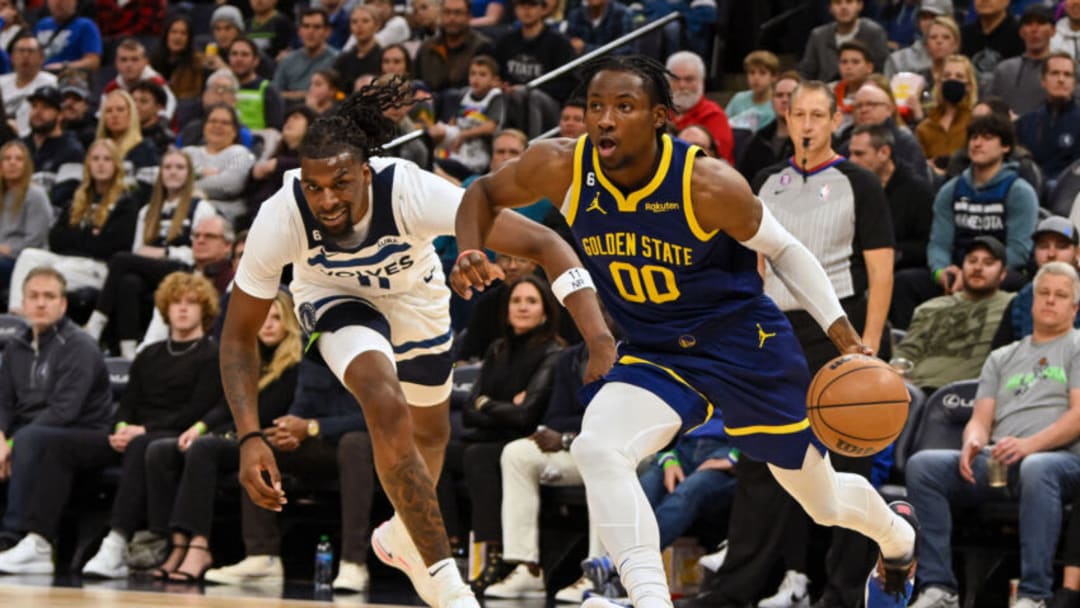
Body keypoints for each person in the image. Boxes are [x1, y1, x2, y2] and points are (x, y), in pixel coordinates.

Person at [451, 55, 919, 608]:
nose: (605, 120)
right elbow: (480, 193)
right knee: (600, 445)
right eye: (597, 106)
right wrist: (468, 250)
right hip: (657, 348)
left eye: (624, 107)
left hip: (744, 346)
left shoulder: (706, 182)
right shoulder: (559, 165)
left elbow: (786, 250)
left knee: (821, 502)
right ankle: (650, 598)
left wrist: (843, 335)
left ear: (657, 118)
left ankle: (898, 539)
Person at [219, 78, 558, 608]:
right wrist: (248, 436)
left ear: (366, 174)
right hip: (333, 298)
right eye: (314, 187)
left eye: (341, 184)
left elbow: (538, 240)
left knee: (431, 434)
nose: (326, 199)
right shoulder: (281, 215)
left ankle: (402, 535)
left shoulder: (412, 190)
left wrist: (588, 301)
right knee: (383, 399)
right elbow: (238, 334)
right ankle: (449, 583)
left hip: (416, 301)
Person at [0, 271, 221, 575]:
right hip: (128, 433)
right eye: (176, 302)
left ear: (204, 309)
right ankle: (38, 542)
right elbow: (128, 403)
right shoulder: (149, 354)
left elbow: (196, 409)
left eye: (191, 303)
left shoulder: (213, 354)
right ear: (165, 308)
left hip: (171, 435)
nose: (182, 308)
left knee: (142, 445)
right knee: (58, 446)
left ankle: (115, 543)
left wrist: (142, 430)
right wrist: (120, 428)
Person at [905, 261, 1080, 608]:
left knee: (1037, 468)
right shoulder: (1002, 357)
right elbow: (981, 418)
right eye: (1043, 293)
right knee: (923, 466)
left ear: (1074, 308)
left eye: (1061, 296)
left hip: (1062, 462)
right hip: (1000, 459)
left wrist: (1029, 446)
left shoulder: (1077, 346)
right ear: (1031, 302)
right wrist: (973, 439)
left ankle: (1034, 594)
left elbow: (1078, 416)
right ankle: (939, 588)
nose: (1049, 301)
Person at [143, 290, 300, 583]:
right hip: (234, 438)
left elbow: (264, 413)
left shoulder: (294, 365)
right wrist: (199, 428)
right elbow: (223, 406)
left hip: (269, 443)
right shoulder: (247, 358)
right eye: (263, 318)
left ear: (289, 322)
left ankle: (199, 545)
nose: (268, 324)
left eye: (276, 318)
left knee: (204, 449)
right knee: (161, 450)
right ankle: (175, 542)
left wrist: (210, 435)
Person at [459, 274, 563, 594]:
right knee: (440, 454)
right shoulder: (497, 349)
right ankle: (448, 549)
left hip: (530, 441)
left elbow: (526, 415)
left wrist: (486, 403)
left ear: (545, 311)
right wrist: (496, 406)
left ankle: (496, 558)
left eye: (531, 301)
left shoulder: (553, 353)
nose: (522, 307)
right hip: (493, 435)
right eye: (516, 301)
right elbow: (467, 409)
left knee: (479, 456)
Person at [0, 267, 113, 532]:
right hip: (32, 431)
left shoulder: (79, 345)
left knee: (29, 439)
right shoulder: (16, 346)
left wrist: (13, 442)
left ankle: (12, 534)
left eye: (49, 296)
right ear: (23, 303)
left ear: (62, 304)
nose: (41, 303)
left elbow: (65, 411)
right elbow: (3, 401)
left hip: (84, 433)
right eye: (34, 296)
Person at [6, 139, 140, 313]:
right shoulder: (78, 197)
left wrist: (77, 235)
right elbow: (55, 238)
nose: (101, 164)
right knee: (29, 256)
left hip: (97, 267)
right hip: (67, 259)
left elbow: (114, 246)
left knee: (52, 273)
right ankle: (16, 316)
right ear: (88, 164)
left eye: (107, 159)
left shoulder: (126, 202)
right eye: (96, 159)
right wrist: (92, 235)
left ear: (116, 165)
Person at [893, 236, 1015, 392]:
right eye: (972, 261)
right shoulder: (930, 307)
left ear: (1003, 274)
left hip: (967, 395)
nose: (978, 267)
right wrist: (897, 379)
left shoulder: (1012, 305)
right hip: (916, 389)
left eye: (988, 263)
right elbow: (906, 352)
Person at [848, 124, 934, 271]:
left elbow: (926, 245)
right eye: (850, 154)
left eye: (859, 154)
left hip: (900, 270)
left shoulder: (917, 191)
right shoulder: (851, 185)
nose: (851, 161)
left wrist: (890, 254)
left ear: (884, 152)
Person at [993, 216, 1080, 348]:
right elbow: (1000, 354)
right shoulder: (1021, 300)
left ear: (1077, 252)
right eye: (1043, 246)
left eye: (1061, 246)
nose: (1051, 254)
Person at [429, 55, 505, 182]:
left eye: (482, 75)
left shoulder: (495, 96)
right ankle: (431, 156)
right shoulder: (465, 94)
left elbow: (491, 127)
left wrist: (463, 135)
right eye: (473, 73)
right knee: (435, 130)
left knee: (441, 163)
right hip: (458, 141)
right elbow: (454, 121)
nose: (476, 78)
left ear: (494, 80)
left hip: (478, 149)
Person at [181, 105, 257, 225]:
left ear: (234, 131)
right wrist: (200, 172)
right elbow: (161, 176)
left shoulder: (239, 153)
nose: (217, 126)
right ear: (204, 127)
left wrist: (185, 185)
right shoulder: (188, 152)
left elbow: (230, 184)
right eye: (213, 121)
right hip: (182, 211)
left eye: (225, 122)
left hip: (222, 215)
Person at [1015, 52, 1080, 187]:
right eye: (1055, 73)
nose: (1061, 79)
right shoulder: (1025, 124)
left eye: (1067, 74)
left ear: (1074, 83)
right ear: (1043, 81)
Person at [0, 141, 52, 291]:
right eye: (7, 159)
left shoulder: (35, 195)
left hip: (24, 259)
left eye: (18, 159)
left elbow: (35, 241)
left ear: (26, 165)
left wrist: (6, 249)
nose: (12, 163)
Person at [987, 4, 1056, 117]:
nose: (1034, 29)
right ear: (1021, 32)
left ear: (1053, 31)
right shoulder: (1004, 69)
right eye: (1028, 24)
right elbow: (989, 108)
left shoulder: (1063, 71)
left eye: (1041, 23)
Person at [21, 85, 83, 208]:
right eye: (34, 106)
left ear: (60, 115)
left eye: (46, 107)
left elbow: (64, 195)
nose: (38, 112)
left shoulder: (72, 150)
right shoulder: (19, 146)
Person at [414, 0, 494, 95]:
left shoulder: (482, 47)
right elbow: (416, 83)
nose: (452, 18)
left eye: (458, 13)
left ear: (469, 17)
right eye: (447, 12)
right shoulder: (426, 48)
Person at [667, 51, 734, 164]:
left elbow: (719, 161)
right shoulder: (659, 113)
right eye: (676, 79)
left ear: (701, 82)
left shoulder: (714, 115)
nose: (682, 85)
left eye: (689, 79)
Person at [799, 0, 889, 82]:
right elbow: (806, 73)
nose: (843, 7)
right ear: (830, 8)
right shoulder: (818, 36)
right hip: (825, 94)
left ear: (860, 5)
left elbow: (882, 72)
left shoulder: (874, 33)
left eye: (849, 2)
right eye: (838, 3)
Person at [916, 54, 977, 172]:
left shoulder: (976, 123)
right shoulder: (924, 128)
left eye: (959, 76)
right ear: (939, 82)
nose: (952, 80)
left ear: (969, 85)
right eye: (947, 75)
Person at [274, 9, 340, 102]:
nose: (310, 31)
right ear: (299, 31)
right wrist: (306, 95)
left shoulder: (338, 59)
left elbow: (339, 95)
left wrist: (293, 95)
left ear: (327, 32)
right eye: (306, 26)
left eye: (316, 27)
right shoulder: (287, 60)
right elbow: (275, 94)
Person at [0, 37, 56, 138]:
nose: (25, 55)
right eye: (21, 51)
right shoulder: (2, 82)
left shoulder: (50, 82)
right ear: (12, 57)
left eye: (31, 51)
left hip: (33, 136)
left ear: (41, 58)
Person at [33, 0, 102, 73]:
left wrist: (64, 66)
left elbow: (93, 62)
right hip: (40, 75)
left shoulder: (86, 26)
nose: (58, 2)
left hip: (68, 75)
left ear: (75, 2)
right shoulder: (41, 25)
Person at [150, 15, 204, 101]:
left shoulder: (197, 62)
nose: (178, 37)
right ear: (166, 35)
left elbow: (195, 93)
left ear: (189, 38)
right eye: (174, 32)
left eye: (183, 33)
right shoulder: (153, 60)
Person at [725, 50, 779, 133]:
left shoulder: (778, 103)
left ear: (773, 77)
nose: (756, 78)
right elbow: (723, 125)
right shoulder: (738, 99)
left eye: (762, 73)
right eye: (752, 72)